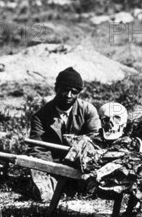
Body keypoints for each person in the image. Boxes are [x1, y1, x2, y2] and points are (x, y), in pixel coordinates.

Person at [29, 67, 101, 201]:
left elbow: (96, 141)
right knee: (44, 194)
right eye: (64, 90)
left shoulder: (88, 111)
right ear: (56, 88)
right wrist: (53, 169)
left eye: (74, 92)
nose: (68, 95)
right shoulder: (41, 116)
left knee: (93, 188)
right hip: (53, 166)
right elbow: (38, 149)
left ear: (79, 93)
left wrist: (76, 158)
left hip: (81, 165)